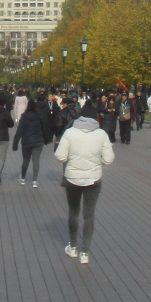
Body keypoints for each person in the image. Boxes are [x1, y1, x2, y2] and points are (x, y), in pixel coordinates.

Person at [54, 103, 115, 265]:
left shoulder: (70, 132)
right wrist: (97, 162)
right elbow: (108, 159)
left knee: (73, 212)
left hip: (73, 179)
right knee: (89, 215)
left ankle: (73, 247)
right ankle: (85, 252)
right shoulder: (101, 134)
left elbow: (60, 156)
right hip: (93, 179)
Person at [11, 94, 52, 187]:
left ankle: (23, 178)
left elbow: (20, 131)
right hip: (38, 141)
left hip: (27, 141)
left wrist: (15, 143)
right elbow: (45, 128)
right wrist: (47, 139)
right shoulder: (40, 116)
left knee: (26, 160)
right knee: (36, 160)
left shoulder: (24, 117)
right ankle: (34, 181)